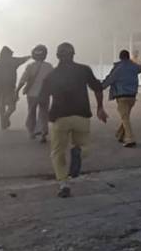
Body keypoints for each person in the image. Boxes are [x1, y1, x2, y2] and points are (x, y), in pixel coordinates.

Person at [40, 42, 108, 198]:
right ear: (73, 54)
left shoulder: (51, 76)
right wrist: (100, 107)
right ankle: (79, 152)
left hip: (59, 117)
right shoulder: (83, 70)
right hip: (81, 115)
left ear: (57, 56)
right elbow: (98, 88)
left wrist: (44, 117)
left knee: (58, 152)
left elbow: (42, 99)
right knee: (85, 145)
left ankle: (64, 184)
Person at [102, 50, 141, 148]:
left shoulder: (118, 68)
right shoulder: (134, 66)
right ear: (128, 57)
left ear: (120, 57)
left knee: (125, 118)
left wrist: (100, 87)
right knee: (126, 117)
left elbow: (110, 79)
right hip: (132, 96)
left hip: (122, 96)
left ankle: (130, 139)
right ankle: (120, 135)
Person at [16, 44, 54, 143]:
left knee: (31, 113)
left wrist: (17, 91)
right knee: (44, 114)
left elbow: (23, 80)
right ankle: (43, 133)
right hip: (45, 95)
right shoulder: (49, 66)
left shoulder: (30, 66)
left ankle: (31, 132)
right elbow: (54, 81)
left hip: (32, 95)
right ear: (45, 55)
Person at [0, 46, 30, 130]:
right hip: (10, 88)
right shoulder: (12, 61)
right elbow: (22, 59)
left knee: (1, 107)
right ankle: (5, 118)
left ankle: (3, 122)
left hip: (0, 89)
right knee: (12, 107)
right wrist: (31, 56)